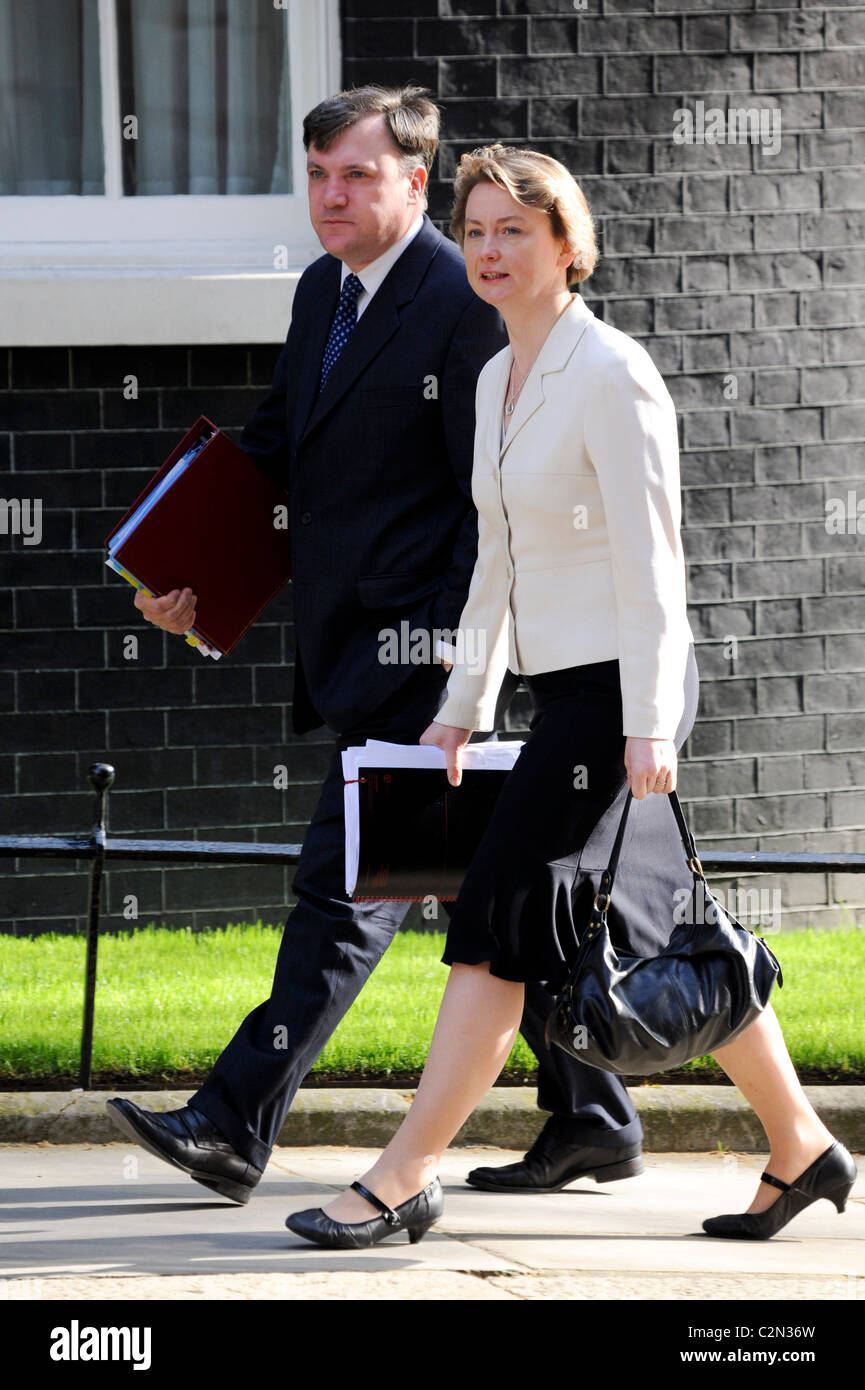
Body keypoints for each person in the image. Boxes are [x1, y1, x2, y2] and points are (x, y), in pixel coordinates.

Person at [285, 144, 857, 1249]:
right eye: (478, 229)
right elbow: (496, 557)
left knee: (495, 919)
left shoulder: (611, 371)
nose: (489, 250)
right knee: (666, 922)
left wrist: (647, 722)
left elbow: (654, 563)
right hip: (565, 694)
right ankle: (802, 1148)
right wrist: (461, 703)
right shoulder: (499, 375)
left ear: (565, 244)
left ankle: (403, 1174)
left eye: (514, 230)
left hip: (623, 696)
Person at [106, 88, 666, 1204]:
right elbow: (276, 451)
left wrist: (466, 673)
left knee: (346, 891)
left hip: (426, 661)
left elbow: (490, 506)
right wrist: (191, 576)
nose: (330, 196)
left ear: (416, 180)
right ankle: (594, 1114)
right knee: (488, 892)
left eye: (356, 176)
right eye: (317, 176)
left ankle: (231, 1120)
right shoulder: (323, 291)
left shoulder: (464, 301)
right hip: (354, 645)